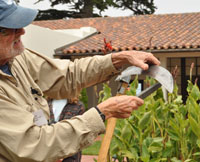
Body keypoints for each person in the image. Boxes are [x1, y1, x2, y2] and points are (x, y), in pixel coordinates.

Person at [0, 0, 160, 162]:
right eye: (10, 29)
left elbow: (67, 75)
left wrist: (116, 59)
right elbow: (34, 144)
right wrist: (101, 113)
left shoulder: (16, 58)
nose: (21, 32)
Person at [48, 97, 85, 162]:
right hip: (47, 153)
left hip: (70, 155)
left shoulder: (78, 106)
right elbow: (39, 128)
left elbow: (77, 133)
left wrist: (61, 154)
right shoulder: (43, 104)